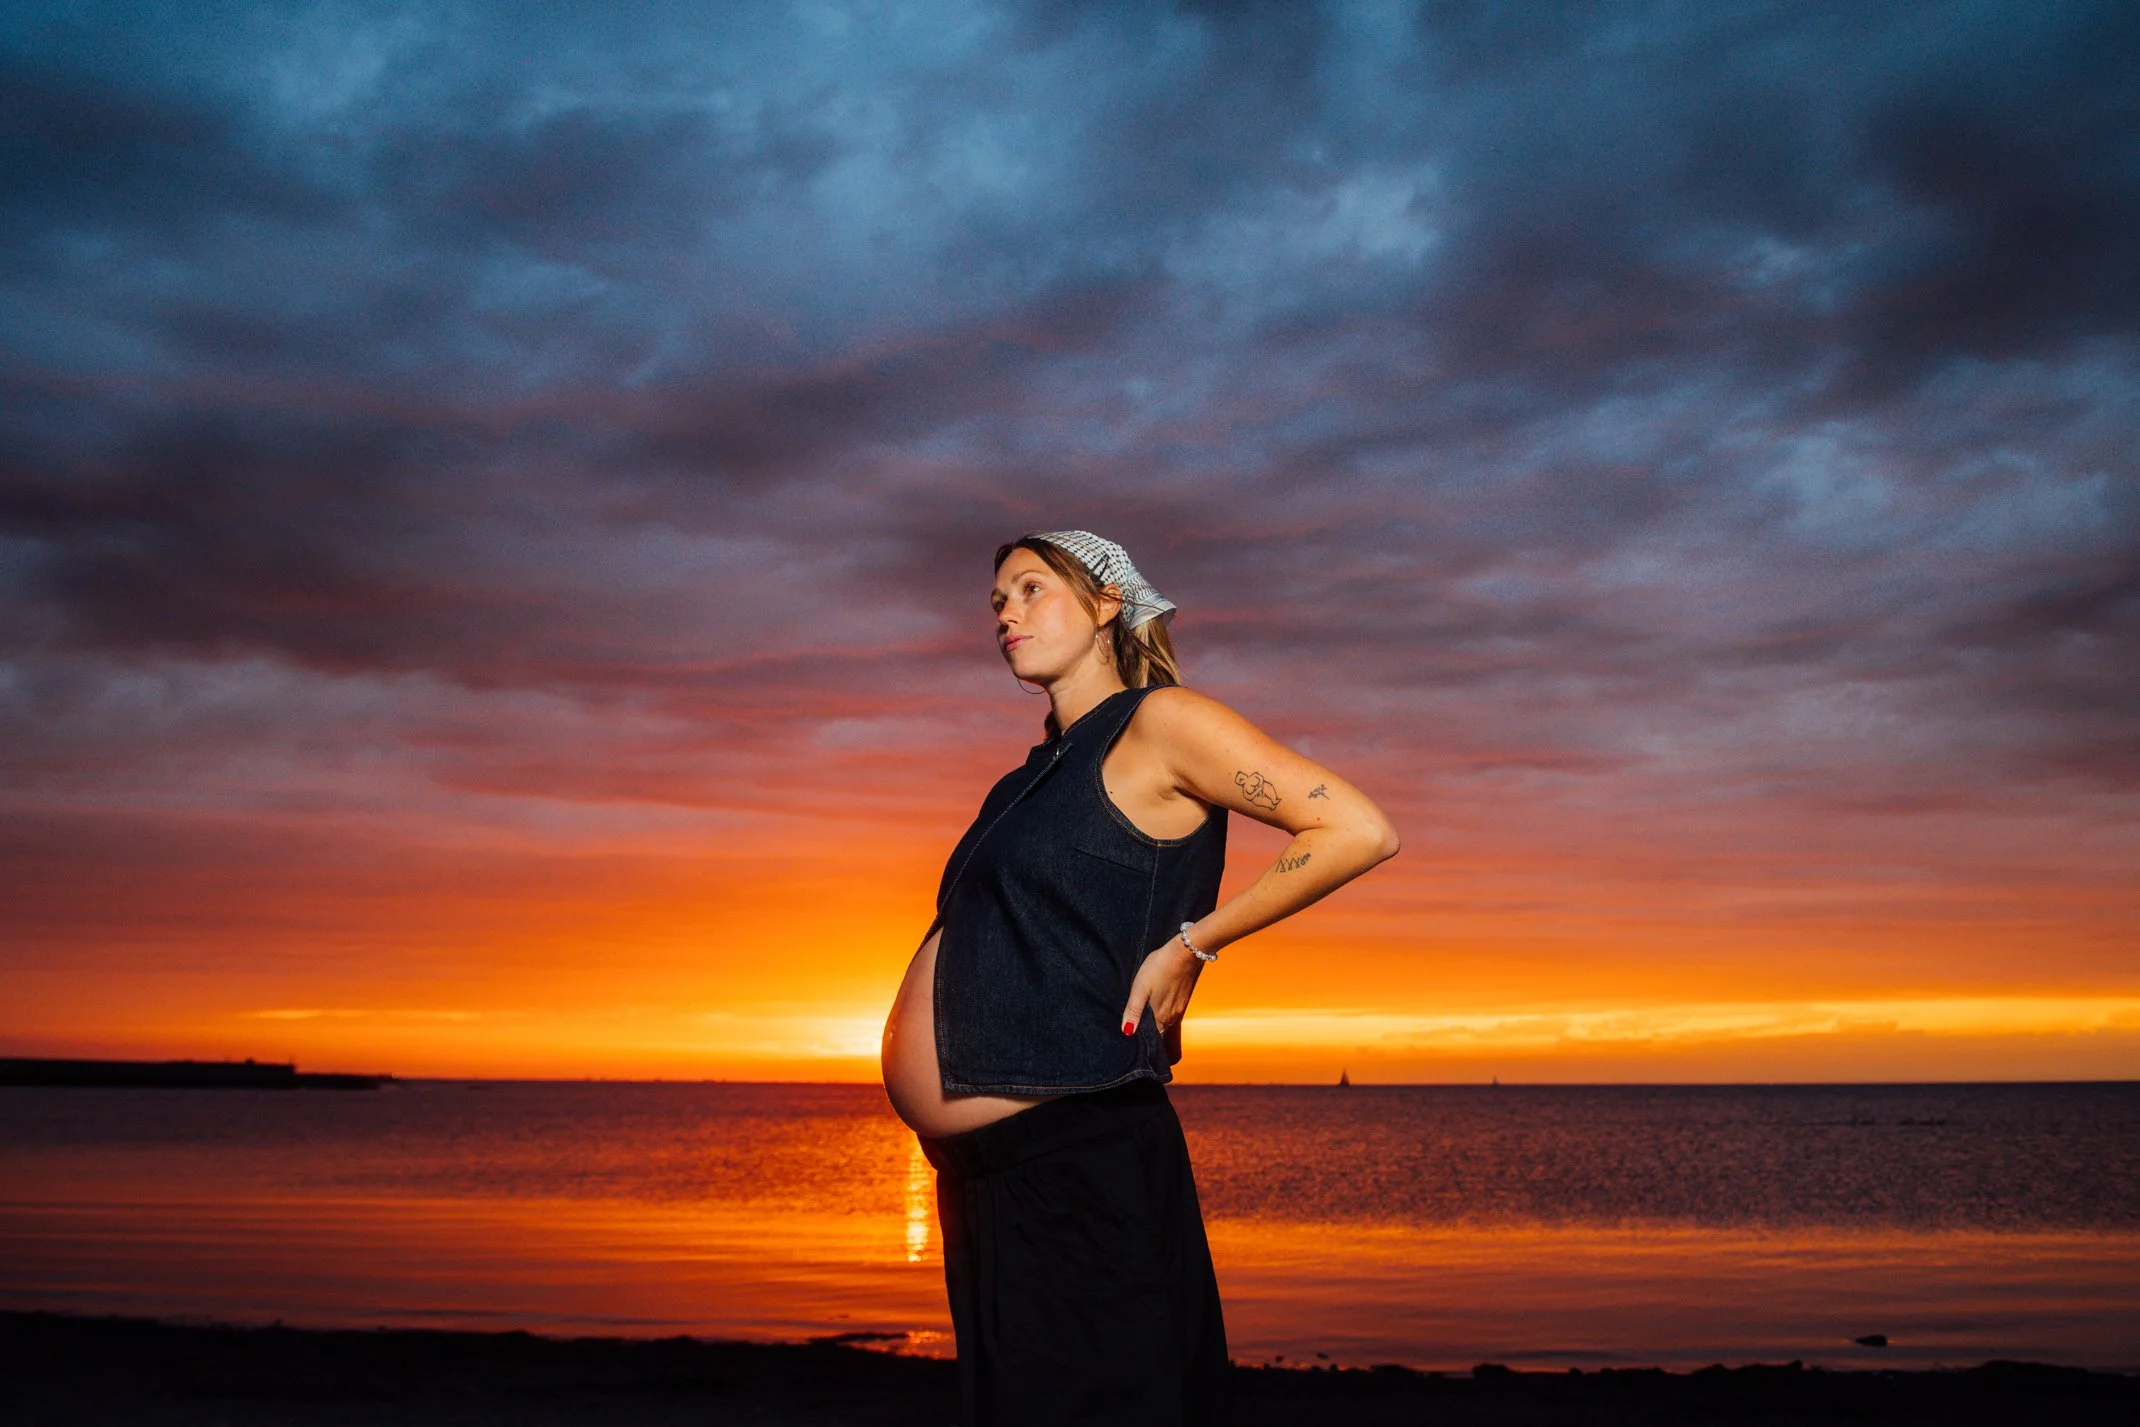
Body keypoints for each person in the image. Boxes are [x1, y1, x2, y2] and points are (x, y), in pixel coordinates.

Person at [881, 530, 1400, 1427]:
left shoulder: (1163, 721)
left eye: (1031, 588)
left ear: (1107, 602)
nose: (1005, 610)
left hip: (1081, 1161)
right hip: (981, 1179)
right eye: (996, 599)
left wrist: (1192, 945)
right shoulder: (1030, 777)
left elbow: (1354, 829)